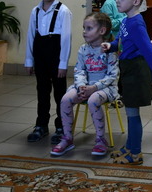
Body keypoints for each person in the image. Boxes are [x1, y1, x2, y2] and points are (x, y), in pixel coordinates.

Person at [101, 0, 152, 165]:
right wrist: (111, 46)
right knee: (130, 112)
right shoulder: (126, 20)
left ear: (136, 1)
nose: (117, 1)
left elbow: (148, 49)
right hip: (127, 69)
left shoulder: (136, 23)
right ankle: (129, 146)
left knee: (132, 114)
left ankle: (135, 153)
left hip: (137, 70)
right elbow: (120, 41)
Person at [51, 12, 119, 157]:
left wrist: (93, 88)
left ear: (102, 31)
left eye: (89, 28)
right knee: (65, 99)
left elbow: (112, 76)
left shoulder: (109, 50)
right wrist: (81, 86)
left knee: (93, 100)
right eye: (84, 28)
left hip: (106, 88)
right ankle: (67, 138)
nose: (84, 31)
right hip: (85, 86)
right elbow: (79, 70)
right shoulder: (83, 49)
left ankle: (101, 140)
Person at [25, 0, 72, 144]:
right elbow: (31, 36)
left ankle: (62, 126)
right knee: (42, 92)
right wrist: (29, 60)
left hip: (56, 56)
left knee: (60, 93)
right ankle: (41, 125)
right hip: (40, 56)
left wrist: (63, 63)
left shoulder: (63, 11)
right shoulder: (35, 11)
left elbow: (66, 39)